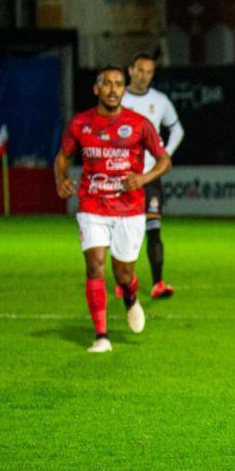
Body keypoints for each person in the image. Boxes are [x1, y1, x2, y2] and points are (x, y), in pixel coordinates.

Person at [54, 66, 172, 353]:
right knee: (94, 265)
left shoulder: (140, 124)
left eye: (118, 84)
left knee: (123, 275)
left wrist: (143, 178)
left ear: (123, 89)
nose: (113, 89)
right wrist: (61, 179)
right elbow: (63, 157)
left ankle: (130, 297)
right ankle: (102, 336)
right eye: (107, 83)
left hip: (129, 210)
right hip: (92, 205)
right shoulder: (80, 124)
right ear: (97, 89)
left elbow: (164, 160)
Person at [122, 53, 186, 298]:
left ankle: (158, 283)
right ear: (131, 71)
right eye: (140, 70)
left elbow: (177, 129)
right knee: (124, 232)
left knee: (153, 227)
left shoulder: (160, 101)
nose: (144, 75)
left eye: (149, 72)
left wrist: (165, 156)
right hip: (123, 175)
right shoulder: (119, 99)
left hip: (149, 176)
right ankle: (125, 279)